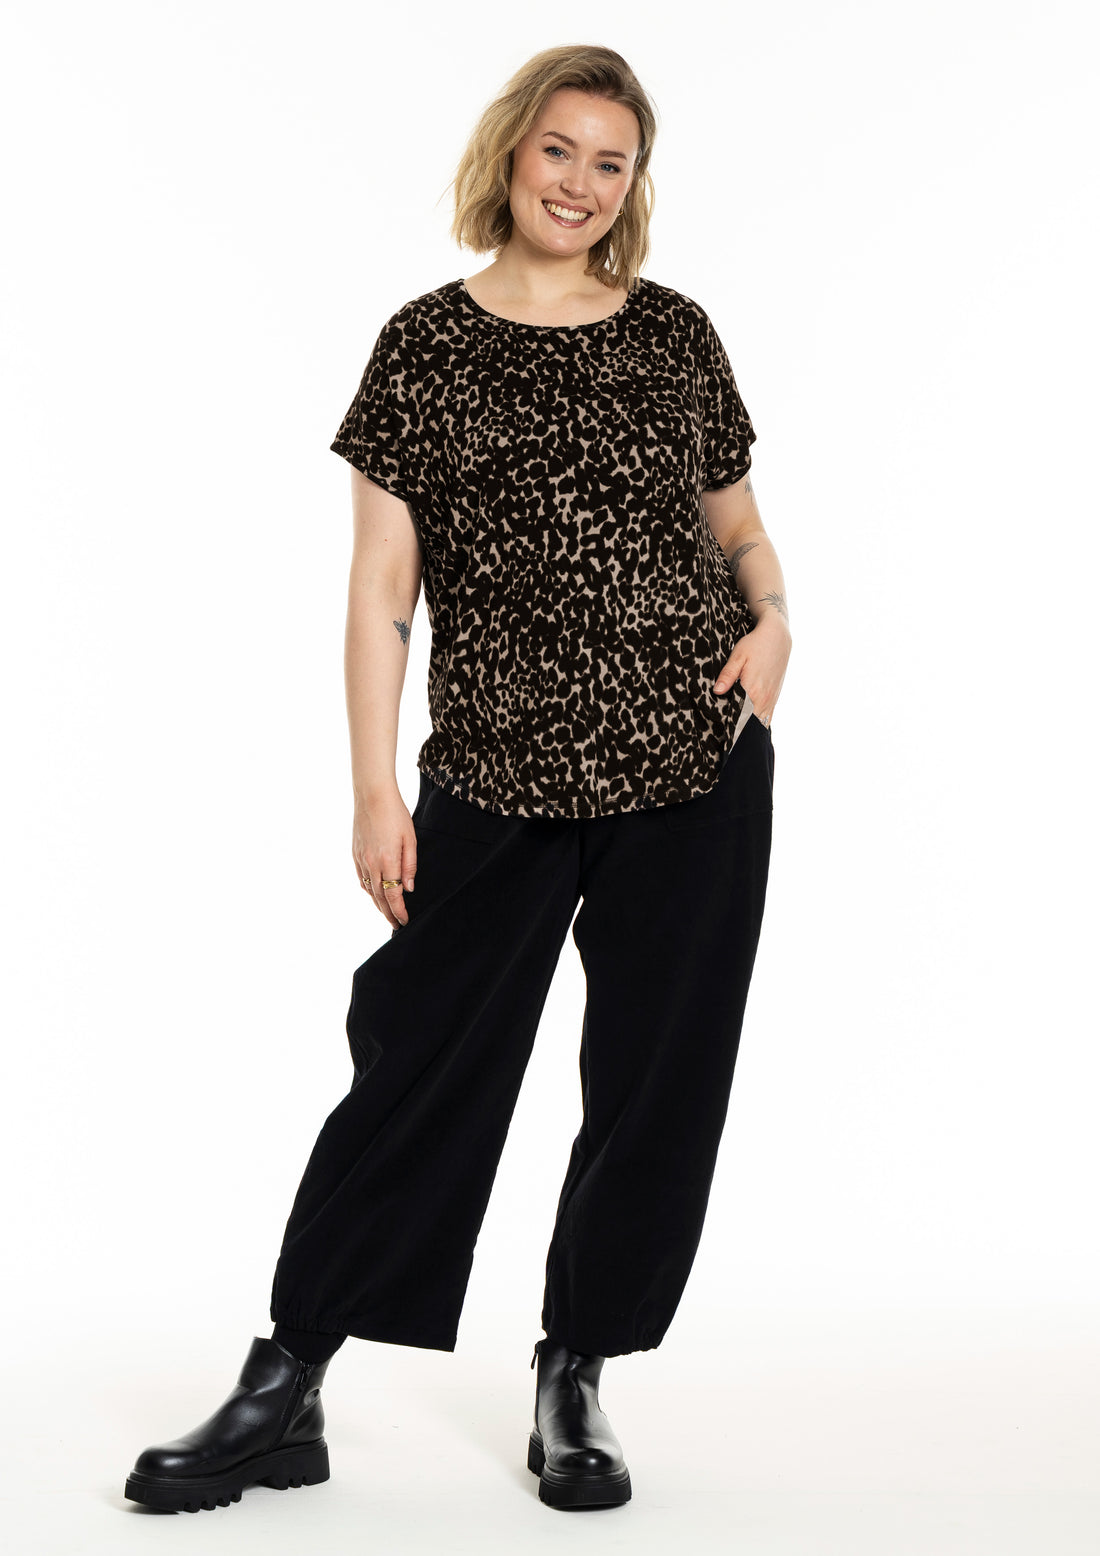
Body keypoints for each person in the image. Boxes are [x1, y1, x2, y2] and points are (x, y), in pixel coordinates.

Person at [124, 43, 792, 1516]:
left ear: (633, 184)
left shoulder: (676, 333)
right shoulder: (425, 344)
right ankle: (287, 1376)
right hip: (494, 768)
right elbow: (382, 591)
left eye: (610, 162)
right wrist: (375, 792)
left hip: (691, 763)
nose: (580, 183)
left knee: (656, 1082)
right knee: (418, 1063)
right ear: (512, 153)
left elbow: (737, 523)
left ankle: (577, 1370)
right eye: (560, 149)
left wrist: (776, 617)